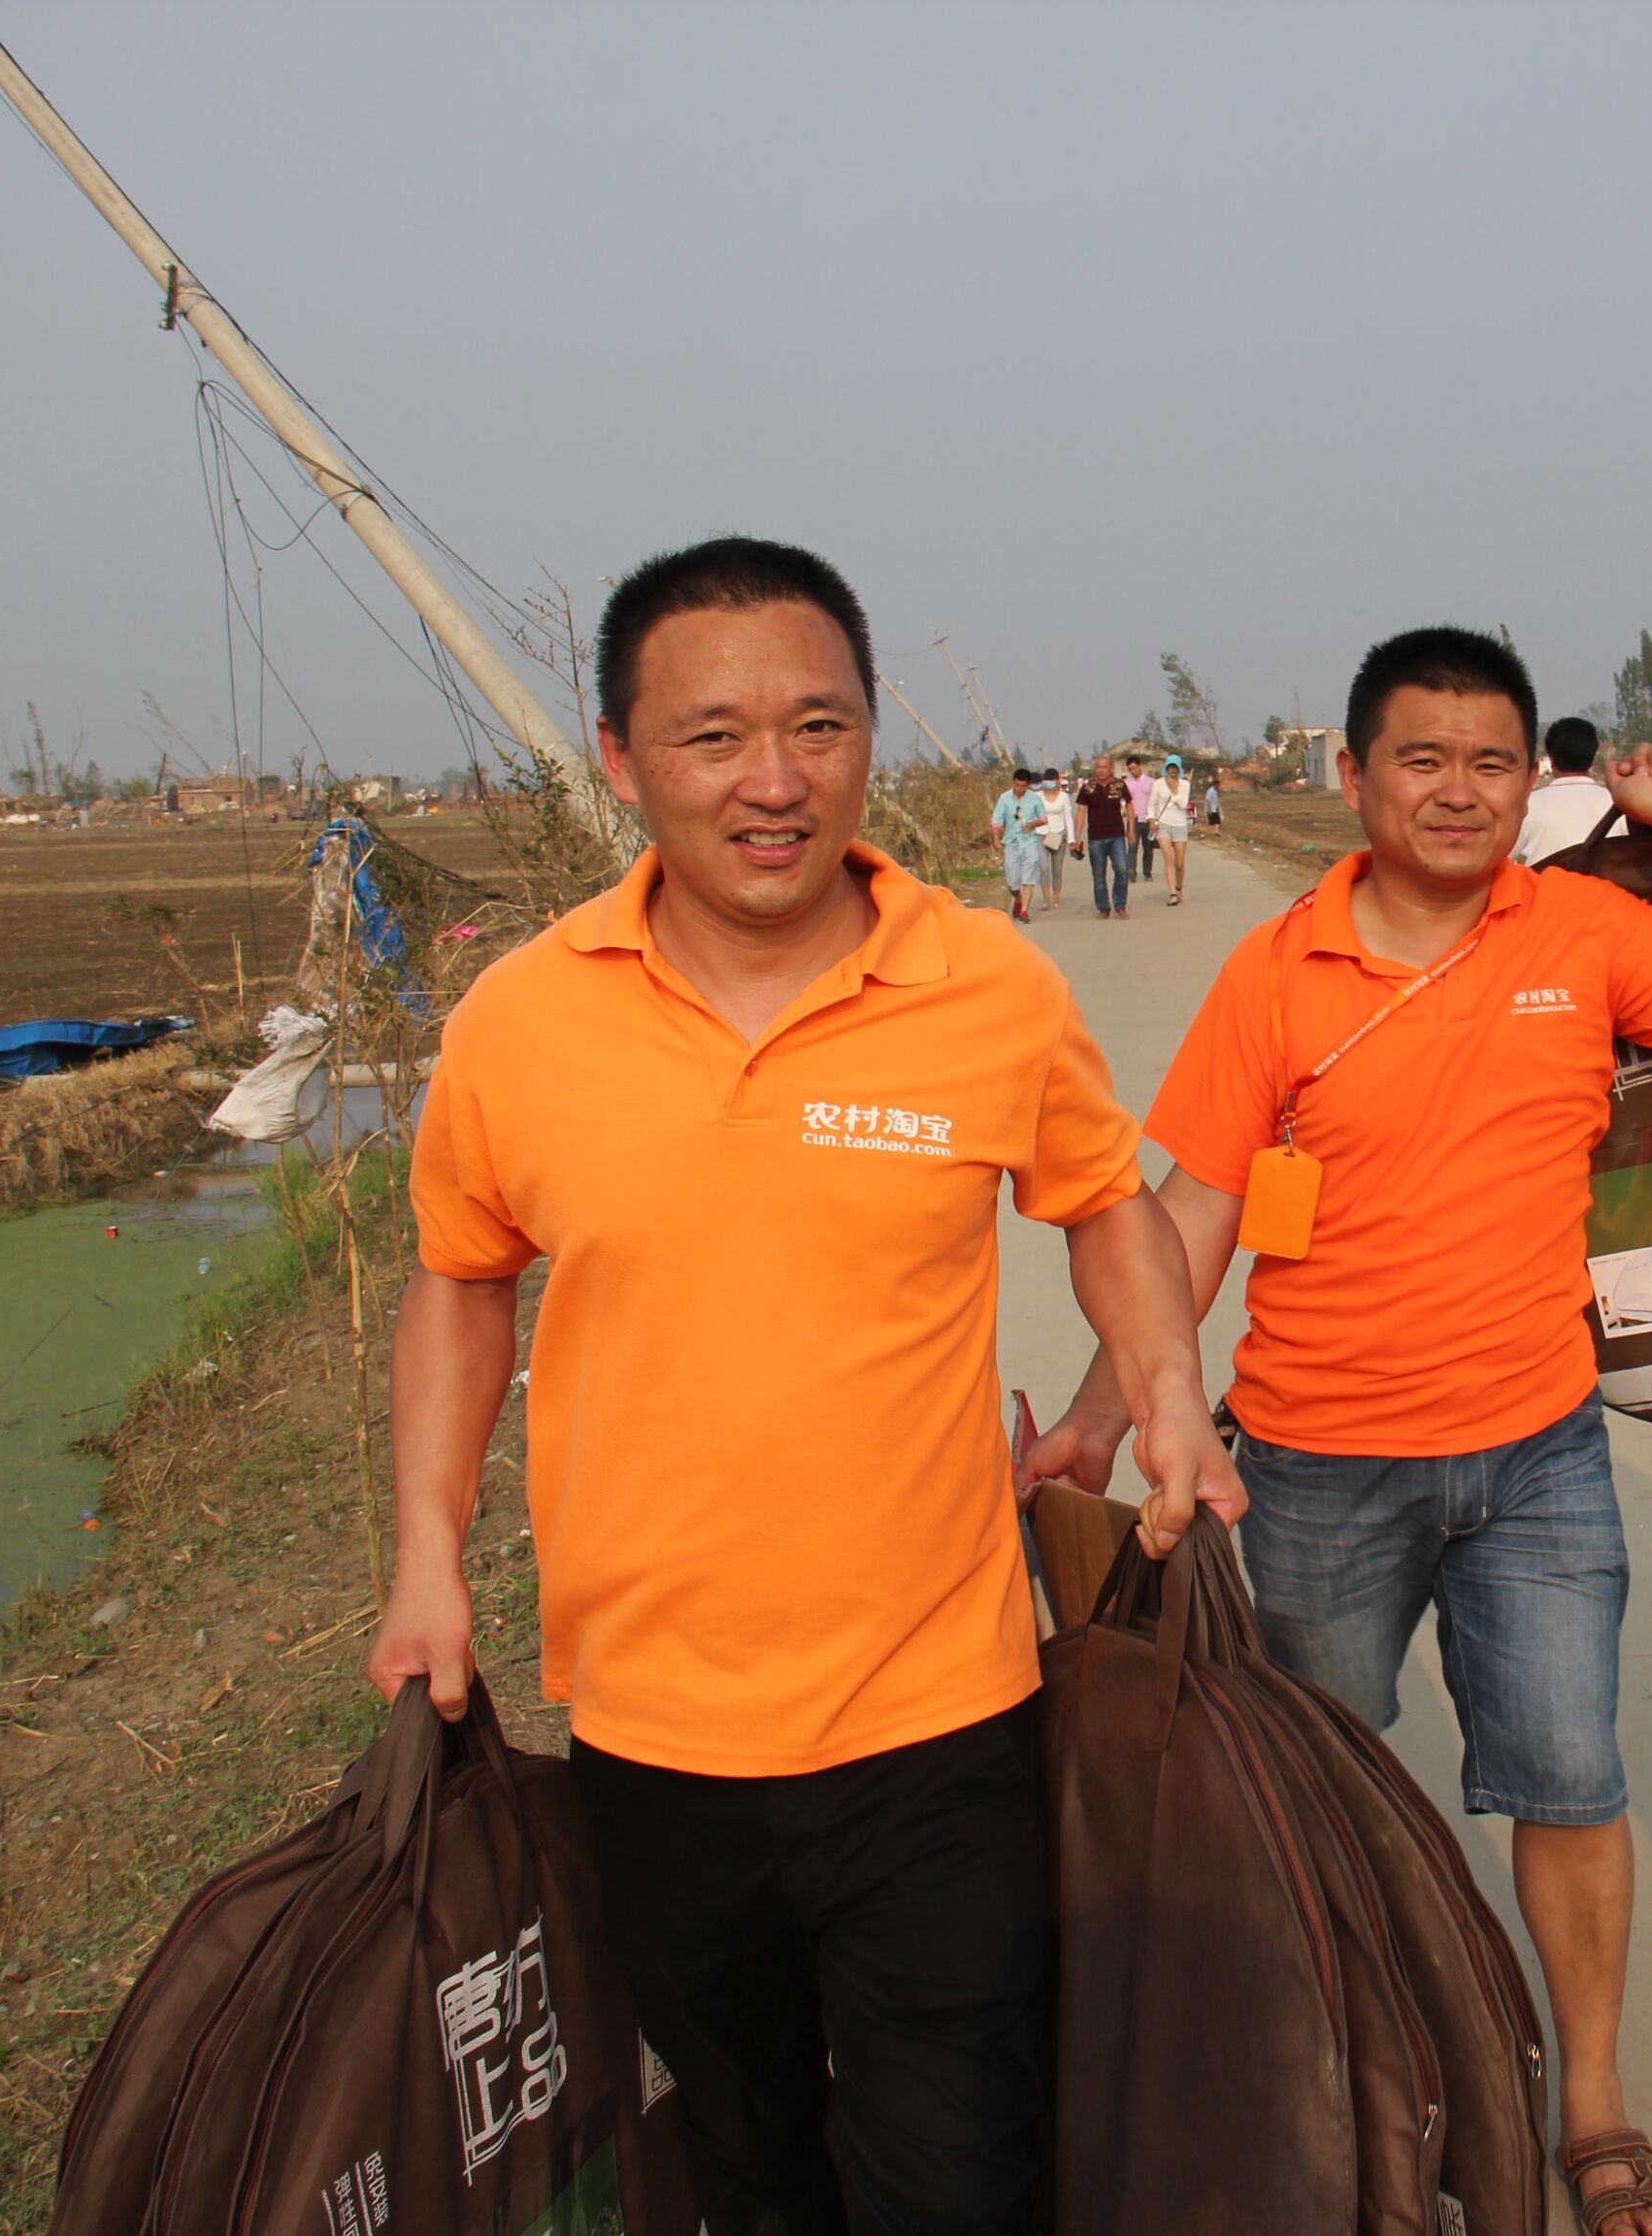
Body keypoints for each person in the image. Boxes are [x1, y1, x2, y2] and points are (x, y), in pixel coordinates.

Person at [368, 536, 1242, 2236]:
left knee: (953, 2166)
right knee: (753, 2162)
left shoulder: (986, 986)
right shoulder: (520, 1019)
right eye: (711, 736)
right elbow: (461, 1278)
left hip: (943, 1715)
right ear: (619, 760)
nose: (773, 781)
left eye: (819, 726)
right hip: (649, 1728)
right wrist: (422, 1559)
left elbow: (1103, 1205)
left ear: (866, 740)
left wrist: (1168, 1393)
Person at [1023, 626, 1652, 2236]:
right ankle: (1374, 2073)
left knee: (1571, 1780)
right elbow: (1194, 1211)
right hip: (1315, 1465)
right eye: (1421, 756)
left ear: (1526, 778)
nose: (1457, 790)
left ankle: (1589, 2102)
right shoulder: (1279, 971)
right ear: (1351, 776)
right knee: (1320, 1787)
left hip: (1538, 1456)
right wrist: (1109, 1408)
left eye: (1489, 761)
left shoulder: (1587, 933)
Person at [1517, 715, 1620, 866]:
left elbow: (1507, 856)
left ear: (1551, 760)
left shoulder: (1527, 805)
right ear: (1592, 757)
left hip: (1545, 887)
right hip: (1608, 887)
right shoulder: (1619, 804)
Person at [989, 764, 1047, 923]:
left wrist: (1031, 825)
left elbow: (1043, 818)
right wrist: (996, 839)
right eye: (1016, 785)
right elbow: (996, 821)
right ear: (1013, 782)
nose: (1019, 788)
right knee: (1013, 881)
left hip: (1029, 842)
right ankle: (1018, 898)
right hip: (1011, 842)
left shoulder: (1034, 799)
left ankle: (1024, 912)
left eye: (1022, 786)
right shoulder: (1004, 798)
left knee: (1028, 878)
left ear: (1028, 785)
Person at [1077, 759, 1134, 919]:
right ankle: (1103, 907)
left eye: (1104, 767)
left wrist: (1131, 829)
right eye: (1098, 767)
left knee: (1122, 870)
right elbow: (1081, 811)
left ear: (1110, 769)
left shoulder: (1119, 785)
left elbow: (1129, 805)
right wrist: (1077, 836)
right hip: (1096, 837)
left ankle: (1120, 904)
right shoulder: (1088, 787)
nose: (1101, 770)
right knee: (1098, 874)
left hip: (1117, 835)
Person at [1150, 754, 1195, 905]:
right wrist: (1151, 819)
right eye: (1170, 767)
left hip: (1180, 825)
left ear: (1179, 769)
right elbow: (1152, 803)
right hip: (1163, 824)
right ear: (1166, 768)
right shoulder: (1158, 784)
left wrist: (1174, 789)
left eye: (1175, 767)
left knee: (1179, 863)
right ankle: (1173, 894)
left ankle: (1179, 886)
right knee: (1168, 859)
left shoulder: (1184, 785)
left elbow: (1183, 804)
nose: (1172, 770)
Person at [1034, 764, 1072, 911]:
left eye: (1052, 779)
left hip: (1058, 835)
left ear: (1057, 780)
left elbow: (1068, 818)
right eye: (1046, 779)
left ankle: (1056, 898)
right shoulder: (1036, 797)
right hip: (1040, 835)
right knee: (1044, 868)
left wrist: (1071, 839)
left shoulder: (1064, 797)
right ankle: (1045, 898)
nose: (1049, 782)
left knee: (1057, 871)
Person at [1123, 752, 1159, 886]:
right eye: (1130, 769)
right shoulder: (1126, 783)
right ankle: (1131, 870)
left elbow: (1156, 801)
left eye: (1134, 768)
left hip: (1148, 819)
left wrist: (1155, 819)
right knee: (1132, 847)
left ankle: (1147, 872)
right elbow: (1124, 801)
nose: (1132, 771)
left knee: (1148, 848)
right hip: (1133, 820)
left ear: (1140, 766)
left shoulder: (1151, 782)